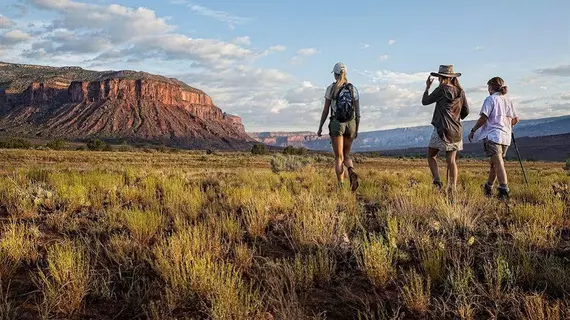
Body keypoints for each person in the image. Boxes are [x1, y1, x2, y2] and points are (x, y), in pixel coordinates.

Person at [422, 65, 469, 197]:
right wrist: (455, 116)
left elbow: (425, 101)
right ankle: (452, 188)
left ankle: (437, 181)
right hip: (456, 130)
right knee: (451, 160)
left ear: (441, 78)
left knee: (431, 155)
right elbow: (466, 111)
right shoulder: (460, 91)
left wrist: (427, 87)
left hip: (442, 129)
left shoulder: (442, 89)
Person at [468, 77, 519, 200]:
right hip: (505, 137)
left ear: (491, 87)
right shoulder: (508, 101)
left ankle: (504, 189)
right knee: (494, 164)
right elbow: (516, 119)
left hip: (493, 136)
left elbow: (484, 117)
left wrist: (473, 130)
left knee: (498, 163)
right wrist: (507, 124)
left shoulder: (490, 99)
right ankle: (488, 186)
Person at [317, 62, 360, 191]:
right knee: (346, 155)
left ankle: (341, 187)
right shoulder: (353, 89)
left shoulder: (331, 88)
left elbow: (325, 111)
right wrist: (356, 129)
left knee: (339, 157)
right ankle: (351, 171)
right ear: (345, 73)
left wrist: (320, 127)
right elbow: (358, 113)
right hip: (351, 124)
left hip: (337, 124)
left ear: (335, 74)